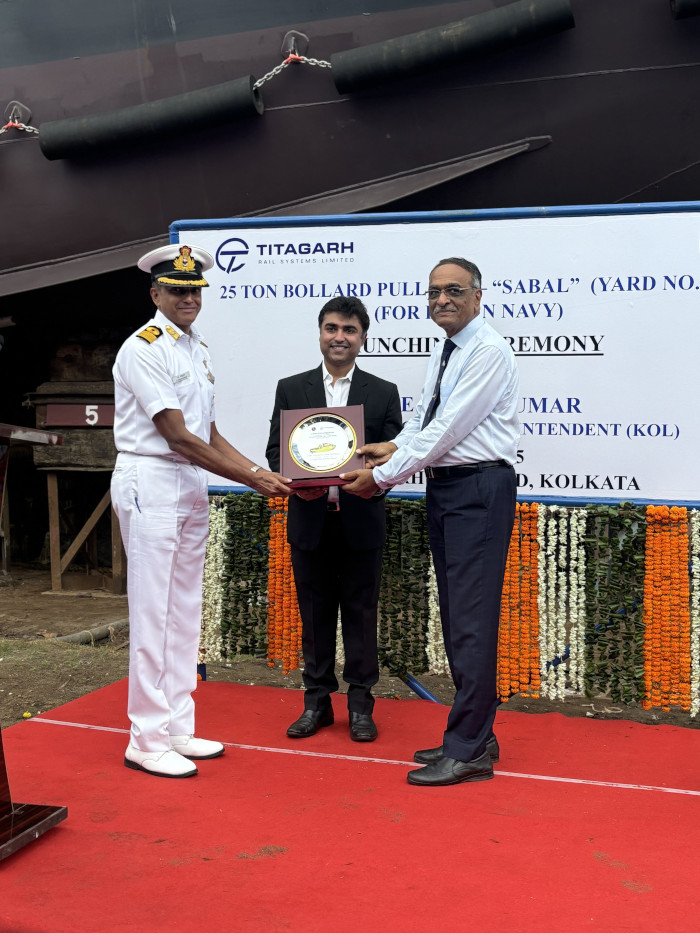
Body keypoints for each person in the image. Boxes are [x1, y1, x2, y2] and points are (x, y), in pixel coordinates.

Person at [112, 244, 291, 779]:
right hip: (152, 475)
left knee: (185, 606)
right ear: (156, 293)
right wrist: (250, 479)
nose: (188, 298)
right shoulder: (143, 348)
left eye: (194, 290)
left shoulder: (196, 348)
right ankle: (145, 737)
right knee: (152, 611)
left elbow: (207, 432)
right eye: (176, 289)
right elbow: (175, 435)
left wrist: (260, 472)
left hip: (189, 479)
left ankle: (176, 726)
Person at [341, 258, 519, 786]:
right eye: (434, 291)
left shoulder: (486, 351)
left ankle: (467, 749)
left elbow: (447, 432)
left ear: (478, 296)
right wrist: (391, 446)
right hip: (449, 490)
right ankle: (476, 736)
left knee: (470, 619)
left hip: (478, 490)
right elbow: (423, 421)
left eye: (454, 291)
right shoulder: (449, 348)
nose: (442, 299)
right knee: (458, 614)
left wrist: (383, 476)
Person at [266, 296, 402, 742]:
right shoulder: (292, 387)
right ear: (320, 333)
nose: (339, 337)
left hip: (360, 521)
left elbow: (395, 458)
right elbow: (275, 451)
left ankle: (361, 707)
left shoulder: (382, 392)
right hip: (310, 520)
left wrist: (373, 476)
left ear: (363, 338)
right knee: (314, 615)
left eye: (349, 330)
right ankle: (316, 704)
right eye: (331, 328)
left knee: (361, 616)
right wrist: (297, 475)